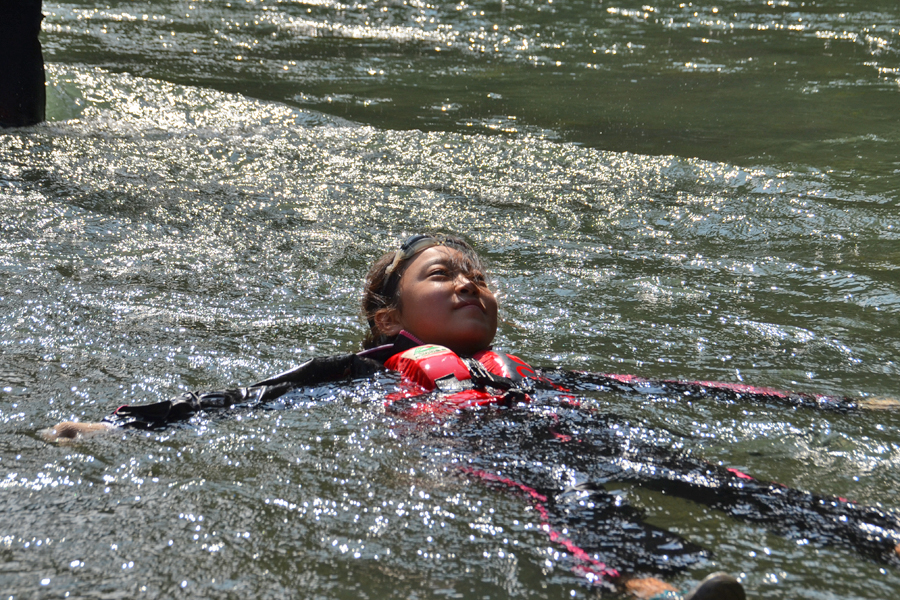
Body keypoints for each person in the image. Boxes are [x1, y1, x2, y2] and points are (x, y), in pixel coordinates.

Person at [43, 233, 900, 599]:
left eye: (478, 276)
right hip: (489, 444)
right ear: (391, 318)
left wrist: (847, 405)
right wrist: (126, 427)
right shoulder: (366, 365)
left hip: (592, 431)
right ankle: (657, 590)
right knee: (580, 505)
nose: (469, 285)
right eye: (444, 275)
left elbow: (688, 390)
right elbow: (248, 400)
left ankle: (879, 534)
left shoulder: (527, 367)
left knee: (724, 480)